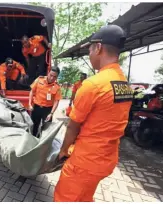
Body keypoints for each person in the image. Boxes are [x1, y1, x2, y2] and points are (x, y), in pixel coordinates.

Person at [54, 25, 133, 202]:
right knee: (84, 196)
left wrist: (64, 150)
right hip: (107, 159)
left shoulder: (93, 85)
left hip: (85, 161)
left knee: (65, 197)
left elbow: (73, 126)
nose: (89, 54)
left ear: (98, 48)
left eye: (90, 49)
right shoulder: (124, 84)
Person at [28, 67, 62, 137]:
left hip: (47, 110)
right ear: (48, 73)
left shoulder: (57, 87)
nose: (52, 78)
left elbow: (56, 101)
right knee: (34, 126)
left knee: (46, 129)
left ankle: (42, 143)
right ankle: (33, 140)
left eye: (54, 77)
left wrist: (51, 113)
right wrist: (29, 104)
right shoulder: (39, 80)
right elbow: (32, 92)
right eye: (51, 75)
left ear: (57, 77)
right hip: (36, 108)